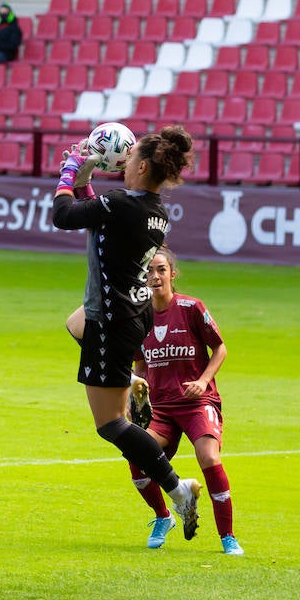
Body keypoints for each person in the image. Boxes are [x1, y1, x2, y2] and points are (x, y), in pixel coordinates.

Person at [53, 126, 205, 541]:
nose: (120, 163)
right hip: (130, 316)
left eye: (128, 156)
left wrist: (69, 171)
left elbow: (63, 215)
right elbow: (99, 221)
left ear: (138, 166)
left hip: (111, 320)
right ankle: (132, 379)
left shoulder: (121, 204)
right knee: (73, 323)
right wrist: (85, 180)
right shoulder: (152, 209)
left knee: (111, 424)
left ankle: (178, 490)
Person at [129, 248, 241, 554]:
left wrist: (203, 381)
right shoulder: (139, 318)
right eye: (149, 271)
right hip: (161, 408)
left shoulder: (191, 308)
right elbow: (140, 365)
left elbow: (220, 349)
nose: (154, 277)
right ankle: (163, 516)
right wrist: (135, 394)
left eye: (161, 270)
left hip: (196, 402)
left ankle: (227, 537)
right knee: (134, 454)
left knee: (209, 458)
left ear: (172, 274)